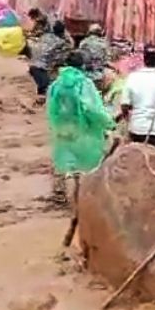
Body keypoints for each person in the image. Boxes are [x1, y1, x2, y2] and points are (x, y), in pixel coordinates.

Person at [45, 51, 114, 207]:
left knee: (66, 165)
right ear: (82, 65)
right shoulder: (84, 84)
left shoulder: (56, 84)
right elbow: (92, 107)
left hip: (62, 128)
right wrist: (107, 122)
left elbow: (50, 107)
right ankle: (83, 203)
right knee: (85, 167)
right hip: (83, 130)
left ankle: (66, 201)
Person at [26, 19, 67, 99]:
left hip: (32, 65)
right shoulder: (60, 42)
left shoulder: (45, 36)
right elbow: (61, 59)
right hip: (42, 69)